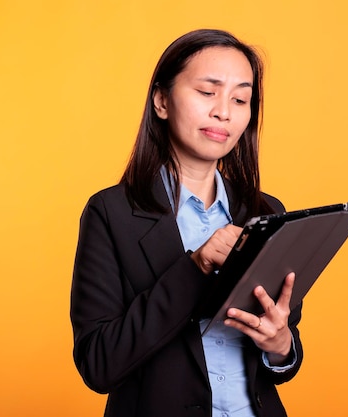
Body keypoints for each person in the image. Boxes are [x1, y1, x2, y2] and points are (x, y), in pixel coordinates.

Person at [71, 28, 303, 417]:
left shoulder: (265, 211)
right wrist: (195, 267)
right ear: (161, 101)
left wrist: (280, 346)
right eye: (207, 92)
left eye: (240, 98)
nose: (224, 112)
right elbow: (99, 364)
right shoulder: (110, 213)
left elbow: (284, 346)